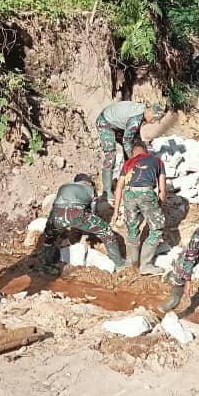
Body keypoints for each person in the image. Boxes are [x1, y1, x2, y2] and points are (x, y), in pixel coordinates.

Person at [40, 174, 127, 274]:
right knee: (106, 231)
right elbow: (92, 211)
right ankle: (119, 264)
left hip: (56, 214)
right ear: (88, 181)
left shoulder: (64, 186)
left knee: (49, 239)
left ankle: (47, 265)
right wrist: (91, 228)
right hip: (76, 213)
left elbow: (56, 204)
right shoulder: (90, 188)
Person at [111, 140, 167, 275]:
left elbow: (119, 187)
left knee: (132, 229)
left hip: (129, 195)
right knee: (157, 229)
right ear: (145, 151)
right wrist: (159, 207)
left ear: (134, 152)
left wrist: (116, 211)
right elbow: (162, 190)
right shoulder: (157, 161)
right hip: (146, 193)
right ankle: (146, 265)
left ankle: (133, 262)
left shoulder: (128, 163)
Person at [96, 101, 166, 198]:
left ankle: (126, 182)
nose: (153, 121)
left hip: (117, 124)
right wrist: (134, 161)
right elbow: (127, 141)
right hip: (105, 122)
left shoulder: (141, 114)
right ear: (149, 111)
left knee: (135, 145)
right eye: (154, 118)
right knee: (111, 155)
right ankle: (107, 192)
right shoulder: (136, 119)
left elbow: (135, 140)